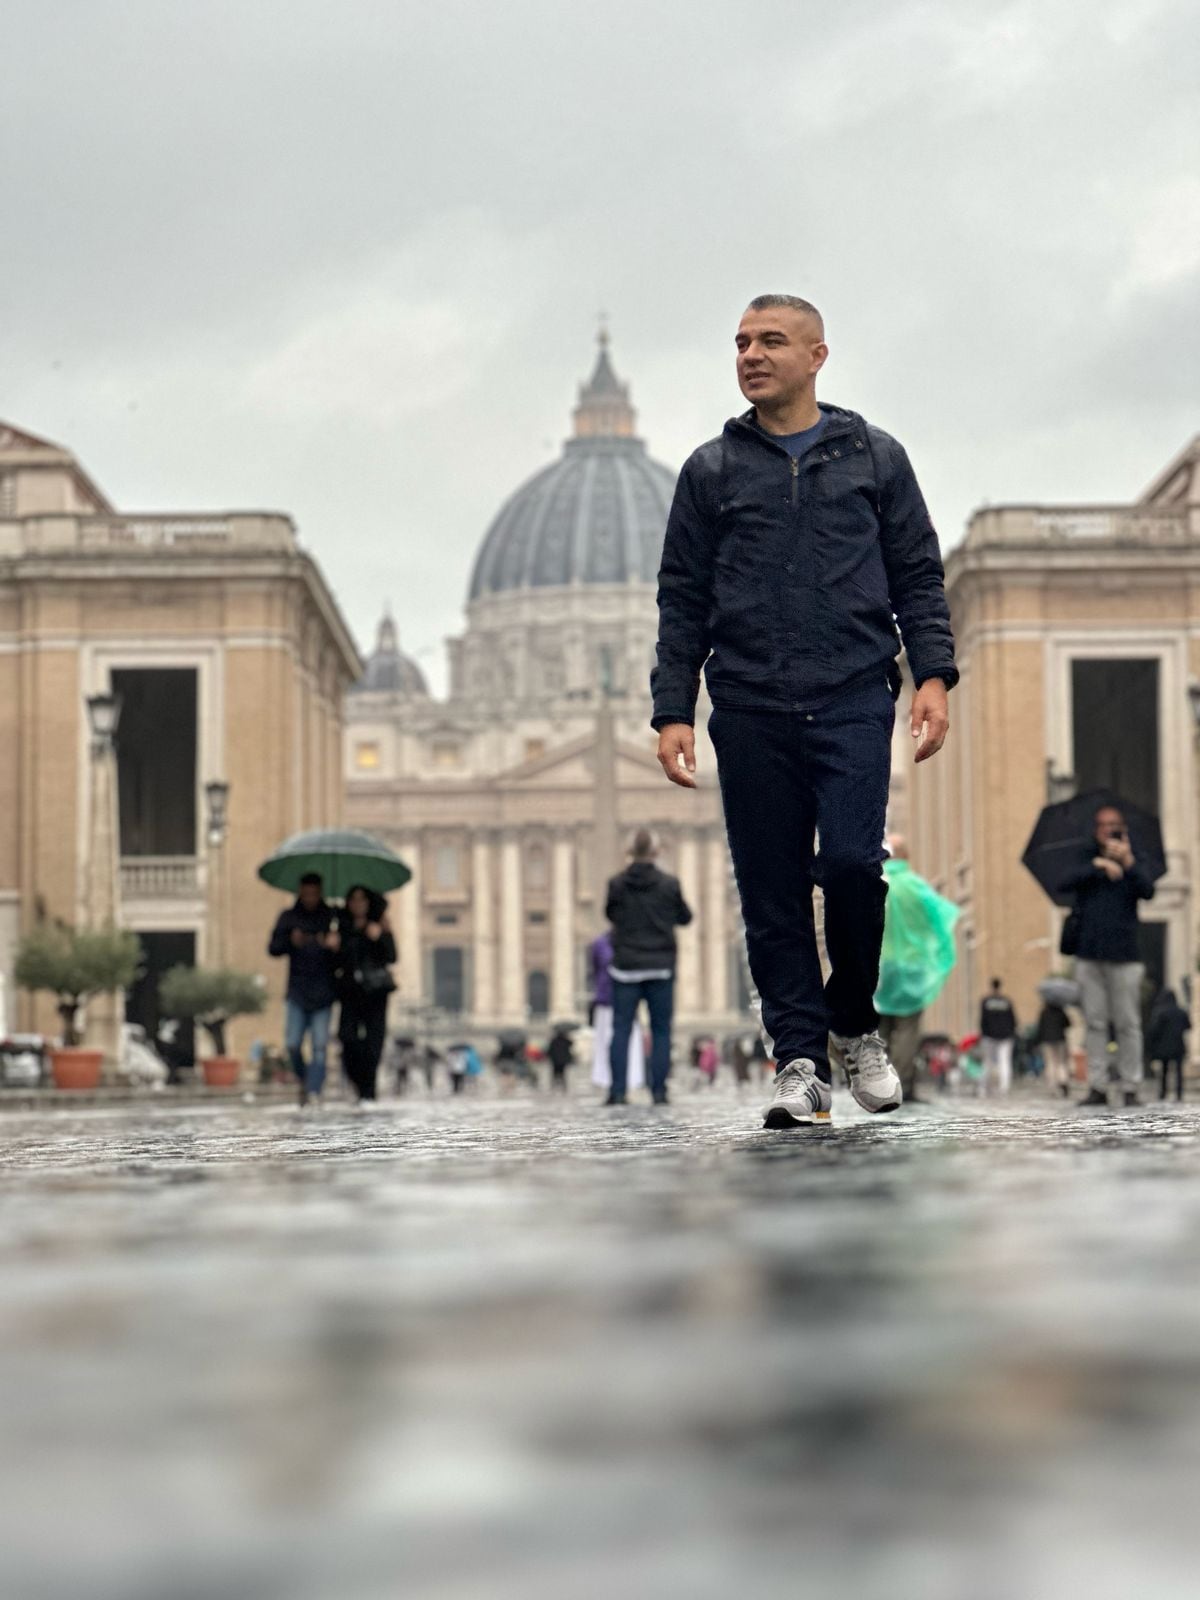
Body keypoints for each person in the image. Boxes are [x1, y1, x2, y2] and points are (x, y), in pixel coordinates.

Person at [651, 293, 956, 1129]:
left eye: (771, 341)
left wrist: (934, 675)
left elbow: (917, 575)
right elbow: (681, 599)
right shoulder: (709, 470)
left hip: (855, 692)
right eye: (742, 341)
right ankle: (798, 1060)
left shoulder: (876, 457)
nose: (751, 353)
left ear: (818, 355)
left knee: (855, 866)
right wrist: (671, 706)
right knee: (772, 890)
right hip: (748, 700)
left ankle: (854, 1022)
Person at [1066, 803, 1155, 1108]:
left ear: (1123, 827)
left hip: (1126, 954)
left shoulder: (1136, 857)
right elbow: (1064, 882)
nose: (1109, 830)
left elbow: (1148, 889)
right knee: (1095, 1023)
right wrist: (1098, 866)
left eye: (1114, 824)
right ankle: (1097, 1085)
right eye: (1103, 825)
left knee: (1128, 1023)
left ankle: (1131, 1086)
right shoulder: (1085, 856)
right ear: (1096, 830)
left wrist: (1128, 862)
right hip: (1089, 953)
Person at [605, 829, 693, 1106]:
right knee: (661, 1031)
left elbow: (610, 914)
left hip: (626, 966)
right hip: (660, 966)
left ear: (629, 852)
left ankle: (617, 1092)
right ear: (655, 852)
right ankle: (659, 1091)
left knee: (621, 1030)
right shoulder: (669, 884)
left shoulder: (616, 884)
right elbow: (685, 917)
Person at [875, 835, 960, 1103]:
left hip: (879, 966)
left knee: (881, 1028)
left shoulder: (877, 884)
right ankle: (904, 1085)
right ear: (907, 856)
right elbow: (943, 918)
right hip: (912, 967)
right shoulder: (916, 887)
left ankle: (877, 1083)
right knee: (908, 1028)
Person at [267, 871, 339, 1106]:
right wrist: (291, 941)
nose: (309, 898)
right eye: (305, 894)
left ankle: (314, 1091)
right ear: (300, 892)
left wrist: (333, 946)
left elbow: (345, 955)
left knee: (319, 1046)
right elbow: (273, 948)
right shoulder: (288, 917)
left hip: (324, 993)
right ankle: (305, 1080)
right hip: (297, 992)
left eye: (314, 894)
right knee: (292, 1045)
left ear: (319, 893)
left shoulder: (332, 918)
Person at [334, 884, 396, 1104]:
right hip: (350, 991)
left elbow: (391, 956)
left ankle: (368, 1091)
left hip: (376, 992)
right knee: (347, 1037)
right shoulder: (340, 926)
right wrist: (334, 946)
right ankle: (361, 1083)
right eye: (353, 899)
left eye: (362, 899)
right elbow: (336, 963)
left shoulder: (379, 924)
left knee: (374, 1043)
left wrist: (379, 936)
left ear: (369, 903)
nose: (357, 904)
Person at [588, 930, 646, 1095]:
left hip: (625, 997)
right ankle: (607, 1080)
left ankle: (631, 1080)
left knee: (627, 1040)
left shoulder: (603, 943)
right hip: (609, 998)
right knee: (606, 1040)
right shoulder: (602, 943)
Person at [1147, 988, 1189, 1102]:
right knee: (1179, 1071)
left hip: (1164, 1047)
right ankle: (1179, 1093)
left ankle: (1163, 1093)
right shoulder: (1181, 1011)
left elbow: (1154, 1030)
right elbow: (1188, 1026)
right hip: (1178, 1045)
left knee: (1164, 1071)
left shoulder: (1160, 1012)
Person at [979, 978, 1017, 1095]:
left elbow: (982, 1020)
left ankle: (986, 1086)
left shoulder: (986, 1001)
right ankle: (1004, 1087)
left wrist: (984, 1033)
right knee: (1005, 1061)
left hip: (989, 1036)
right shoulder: (1006, 1001)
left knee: (988, 1062)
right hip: (1006, 1036)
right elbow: (1013, 1019)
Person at [1035, 999, 1072, 1098]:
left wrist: (1037, 1042)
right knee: (1061, 1062)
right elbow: (1068, 1024)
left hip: (1047, 1040)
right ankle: (1063, 1080)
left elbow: (1040, 1028)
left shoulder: (1044, 1012)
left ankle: (1052, 1086)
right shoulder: (1061, 1011)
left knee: (1050, 1062)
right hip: (1060, 1039)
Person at [546, 1025, 575, 1092]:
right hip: (563, 1060)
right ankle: (563, 1086)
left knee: (555, 1073)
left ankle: (554, 1085)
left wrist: (549, 1057)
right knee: (563, 1073)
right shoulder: (565, 1040)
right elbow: (571, 1044)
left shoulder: (554, 1040)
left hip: (555, 1060)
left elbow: (549, 1050)